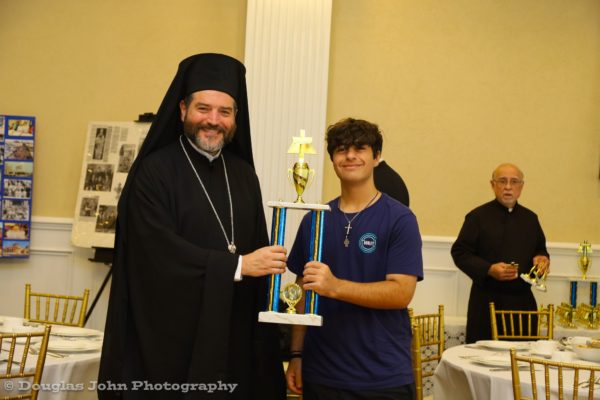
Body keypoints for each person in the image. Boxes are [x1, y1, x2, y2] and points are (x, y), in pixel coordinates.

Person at [98, 54, 287, 400]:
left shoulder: (244, 176)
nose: (213, 121)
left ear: (236, 117)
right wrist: (237, 265)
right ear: (183, 109)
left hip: (233, 342)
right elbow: (155, 255)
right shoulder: (154, 173)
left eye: (224, 112)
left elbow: (257, 250)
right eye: (203, 109)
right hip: (171, 349)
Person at [285, 118, 423, 400]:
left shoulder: (400, 219)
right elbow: (301, 291)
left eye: (360, 148)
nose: (349, 155)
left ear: (376, 157)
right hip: (321, 373)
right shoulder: (314, 220)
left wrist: (335, 286)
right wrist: (296, 354)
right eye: (341, 149)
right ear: (332, 160)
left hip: (382, 378)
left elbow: (401, 293)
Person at [451, 163, 550, 343]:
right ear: (493, 185)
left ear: (521, 186)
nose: (508, 187)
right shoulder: (477, 217)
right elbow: (460, 252)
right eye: (502, 181)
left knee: (522, 357)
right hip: (486, 303)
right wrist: (488, 269)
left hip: (522, 304)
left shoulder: (530, 219)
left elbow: (540, 249)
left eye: (514, 182)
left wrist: (542, 259)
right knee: (482, 355)